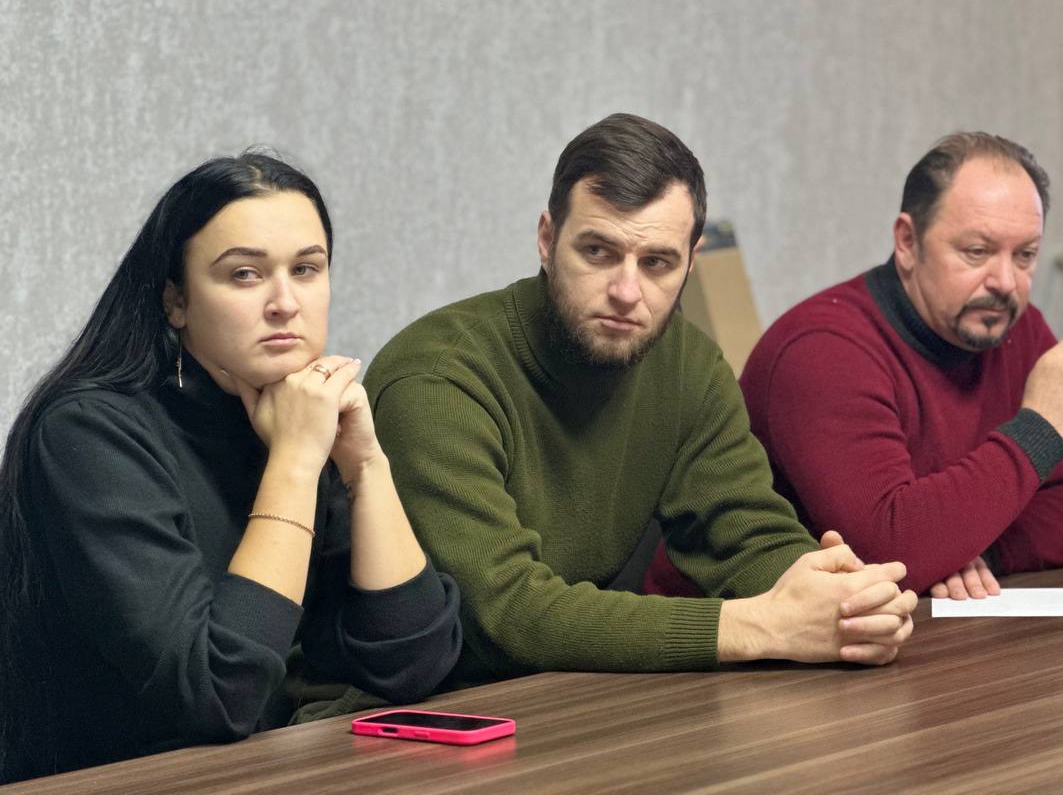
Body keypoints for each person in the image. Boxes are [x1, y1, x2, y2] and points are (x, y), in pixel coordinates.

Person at [364, 113, 916, 690]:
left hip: (567, 693)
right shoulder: (437, 378)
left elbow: (746, 536)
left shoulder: (689, 366)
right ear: (547, 239)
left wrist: (845, 603)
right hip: (400, 712)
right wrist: (757, 628)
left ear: (690, 262)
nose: (627, 292)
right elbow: (508, 611)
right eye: (598, 252)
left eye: (656, 262)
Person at [0, 149, 462, 783]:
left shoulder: (289, 413)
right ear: (176, 300)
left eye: (306, 269)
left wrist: (365, 464)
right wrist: (295, 462)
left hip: (253, 776)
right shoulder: (87, 434)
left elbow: (414, 663)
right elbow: (220, 694)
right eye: (245, 274)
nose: (285, 303)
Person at [722, 132, 1063, 598]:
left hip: (904, 620)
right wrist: (1042, 426)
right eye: (977, 252)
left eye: (1025, 255)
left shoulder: (1018, 327)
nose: (1005, 282)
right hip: (738, 629)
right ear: (908, 242)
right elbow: (888, 551)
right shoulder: (822, 349)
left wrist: (972, 553)